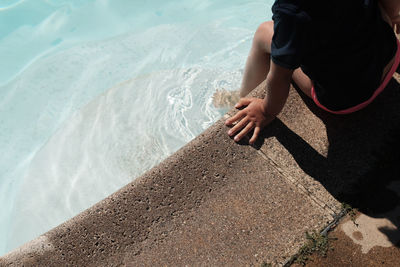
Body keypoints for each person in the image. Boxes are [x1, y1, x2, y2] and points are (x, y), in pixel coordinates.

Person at [224, 0, 400, 145]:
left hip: (345, 100)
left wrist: (266, 110)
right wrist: (394, 17)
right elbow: (392, 6)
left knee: (264, 32)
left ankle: (244, 100)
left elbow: (281, 75)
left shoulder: (292, 11)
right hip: (389, 60)